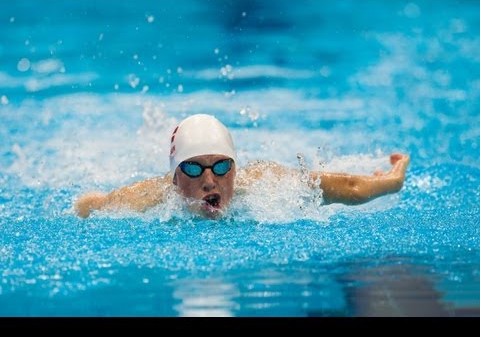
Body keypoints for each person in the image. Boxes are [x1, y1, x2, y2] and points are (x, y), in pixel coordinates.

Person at [74, 114, 410, 219]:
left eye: (221, 167)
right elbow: (91, 206)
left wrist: (392, 182)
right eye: (193, 169)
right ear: (175, 177)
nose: (210, 181)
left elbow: (346, 188)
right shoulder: (150, 198)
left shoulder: (266, 185)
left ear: (236, 168)